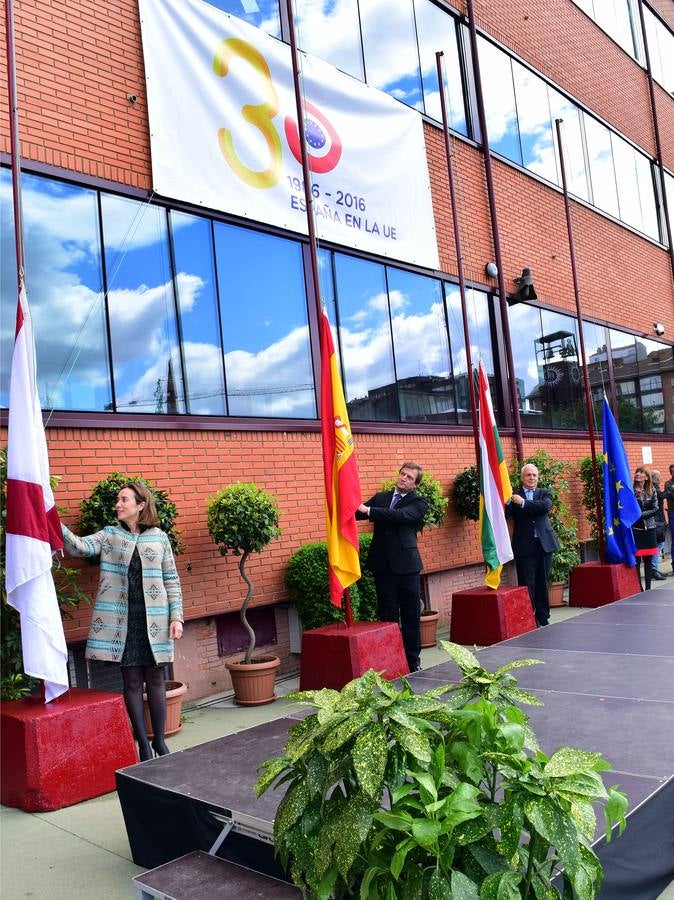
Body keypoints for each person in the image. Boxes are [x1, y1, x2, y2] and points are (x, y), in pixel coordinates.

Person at [62, 482, 184, 762]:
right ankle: (142, 744)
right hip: (123, 622)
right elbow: (80, 548)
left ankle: (160, 743)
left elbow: (171, 580)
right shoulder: (109, 535)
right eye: (117, 500)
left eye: (123, 499)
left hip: (154, 620)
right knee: (130, 680)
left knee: (155, 678)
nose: (118, 504)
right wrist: (54, 523)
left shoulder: (159, 537)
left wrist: (176, 616)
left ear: (140, 505)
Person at [356, 462, 427, 673]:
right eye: (402, 474)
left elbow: (401, 516)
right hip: (383, 567)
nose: (404, 478)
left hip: (407, 568)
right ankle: (390, 659)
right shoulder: (381, 497)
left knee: (410, 616)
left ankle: (413, 661)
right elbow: (357, 513)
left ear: (415, 484)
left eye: (409, 477)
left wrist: (369, 511)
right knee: (386, 616)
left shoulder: (418, 501)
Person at [505, 463, 560, 627]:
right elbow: (506, 515)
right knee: (527, 583)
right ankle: (528, 617)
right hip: (524, 546)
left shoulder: (544, 493)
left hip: (544, 545)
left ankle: (543, 617)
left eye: (535, 475)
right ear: (522, 478)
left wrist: (523, 503)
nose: (532, 478)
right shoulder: (514, 495)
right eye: (529, 475)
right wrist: (507, 502)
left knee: (543, 582)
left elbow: (545, 507)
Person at [632, 467, 659, 592]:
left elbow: (655, 509)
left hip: (649, 529)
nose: (638, 474)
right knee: (637, 561)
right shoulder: (630, 490)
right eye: (637, 472)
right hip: (636, 529)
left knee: (648, 561)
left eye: (641, 472)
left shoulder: (651, 490)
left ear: (647, 477)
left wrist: (641, 515)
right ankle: (639, 589)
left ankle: (648, 589)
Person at [650, 470, 667, 580]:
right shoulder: (654, 487)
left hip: (658, 520)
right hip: (657, 521)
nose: (660, 479)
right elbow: (661, 496)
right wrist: (669, 489)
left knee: (659, 545)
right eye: (659, 477)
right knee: (658, 545)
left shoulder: (652, 487)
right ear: (656, 478)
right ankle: (653, 569)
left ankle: (654, 568)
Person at [664, 464, 674, 572]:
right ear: (670, 473)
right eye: (673, 471)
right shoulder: (668, 484)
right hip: (673, 514)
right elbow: (670, 495)